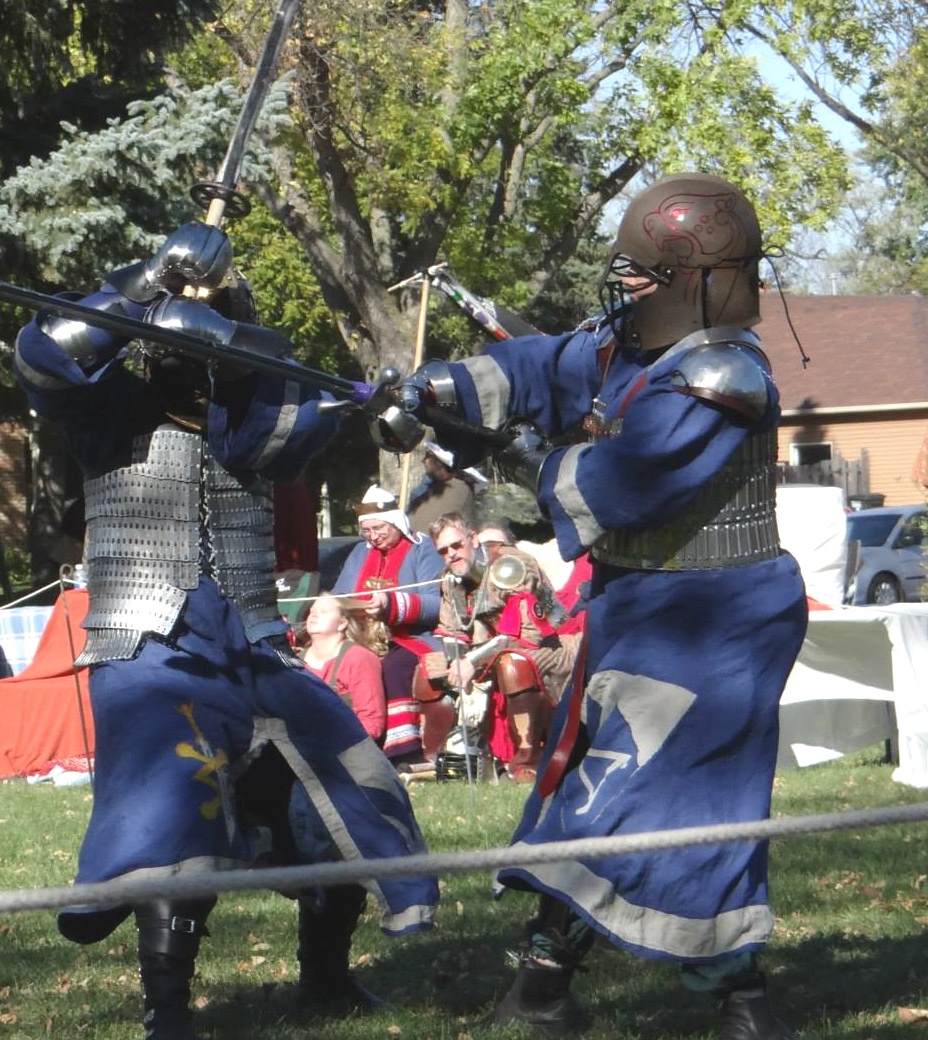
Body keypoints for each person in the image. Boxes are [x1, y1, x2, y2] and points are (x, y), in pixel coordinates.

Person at [390, 172, 807, 1039]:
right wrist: (432, 394)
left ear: (697, 281)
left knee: (650, 805)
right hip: (643, 613)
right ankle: (592, 989)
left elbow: (628, 480)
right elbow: (538, 362)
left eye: (642, 275)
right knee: (612, 795)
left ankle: (702, 995)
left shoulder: (718, 378)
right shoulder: (627, 351)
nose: (622, 288)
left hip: (716, 623)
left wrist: (528, 456)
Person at [13, 222, 437, 1040]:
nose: (192, 368)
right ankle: (165, 1008)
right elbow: (45, 354)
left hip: (252, 644)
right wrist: (145, 281)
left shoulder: (245, 425)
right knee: (172, 810)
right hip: (148, 649)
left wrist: (352, 393)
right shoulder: (108, 411)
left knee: (344, 777)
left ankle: (326, 979)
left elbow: (291, 423)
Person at [431, 515, 579, 781]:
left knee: (513, 664)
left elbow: (526, 636)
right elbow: (451, 629)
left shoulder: (511, 566)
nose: (451, 555)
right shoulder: (451, 580)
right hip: (494, 649)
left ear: (473, 539)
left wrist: (471, 662)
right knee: (428, 669)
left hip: (554, 642)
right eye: (443, 551)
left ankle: (527, 760)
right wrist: (455, 662)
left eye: (456, 545)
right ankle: (445, 761)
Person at [331, 485, 443, 769]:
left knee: (393, 667)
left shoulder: (422, 549)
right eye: (367, 531)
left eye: (379, 528)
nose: (373, 537)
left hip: (409, 636)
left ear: (395, 521)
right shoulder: (359, 553)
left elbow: (435, 603)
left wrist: (390, 604)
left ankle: (402, 752)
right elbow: (340, 595)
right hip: (359, 635)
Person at [296, 593, 387, 742]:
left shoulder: (358, 658)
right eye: (311, 611)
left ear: (342, 623)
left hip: (347, 749)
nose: (314, 615)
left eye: (323, 611)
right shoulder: (295, 661)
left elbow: (372, 723)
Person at [406, 440, 478, 534]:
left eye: (428, 456)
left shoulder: (458, 489)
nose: (423, 460)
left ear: (439, 462)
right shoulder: (425, 490)